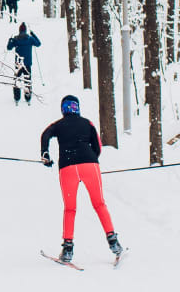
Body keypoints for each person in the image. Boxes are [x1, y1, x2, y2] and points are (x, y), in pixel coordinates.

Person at [40, 95, 123, 263]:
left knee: (70, 209)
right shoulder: (87, 123)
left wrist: (45, 154)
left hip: (67, 168)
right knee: (99, 204)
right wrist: (92, 160)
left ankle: (68, 249)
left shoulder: (58, 125)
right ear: (77, 108)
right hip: (89, 166)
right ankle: (113, 242)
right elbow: (98, 146)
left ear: (63, 109)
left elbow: (45, 135)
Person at [6, 23, 40, 105]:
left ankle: (17, 97)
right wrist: (34, 35)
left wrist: (10, 40)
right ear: (25, 30)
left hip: (18, 64)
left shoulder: (16, 39)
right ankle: (28, 98)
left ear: (19, 30)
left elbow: (9, 48)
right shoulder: (30, 38)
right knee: (27, 80)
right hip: (27, 63)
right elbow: (38, 44)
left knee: (17, 80)